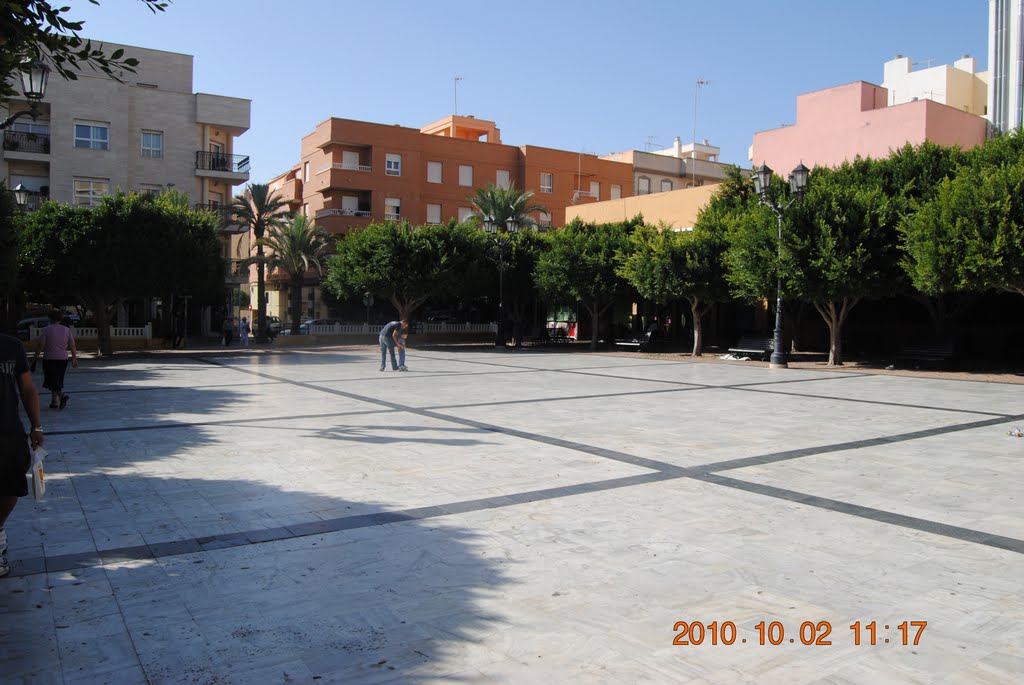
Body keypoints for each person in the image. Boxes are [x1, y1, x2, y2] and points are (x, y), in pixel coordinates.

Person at [1, 331, 44, 577]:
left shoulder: (11, 346)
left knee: (10, 491)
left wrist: (36, 426)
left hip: (7, 433)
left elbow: (27, 388)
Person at [31, 309, 77, 410]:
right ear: (61, 318)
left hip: (49, 358)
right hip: (63, 359)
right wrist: (74, 358)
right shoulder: (66, 330)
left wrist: (34, 359)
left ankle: (62, 396)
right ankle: (54, 402)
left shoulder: (46, 329)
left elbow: (40, 346)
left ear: (49, 318)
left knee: (50, 380)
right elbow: (72, 346)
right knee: (57, 380)